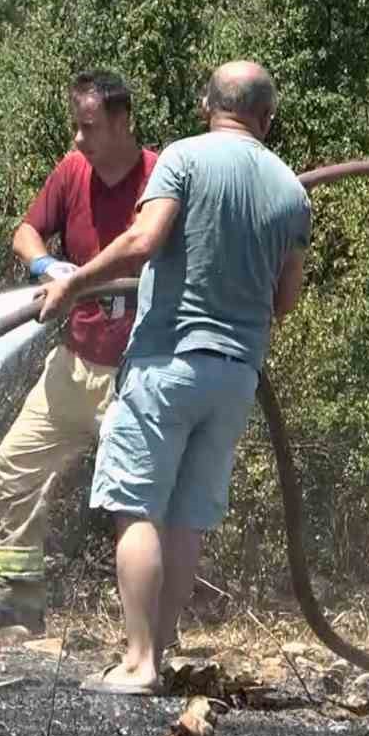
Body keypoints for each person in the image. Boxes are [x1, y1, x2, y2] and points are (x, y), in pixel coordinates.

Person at [38, 60, 312, 695]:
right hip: (236, 375)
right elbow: (286, 300)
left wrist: (72, 281)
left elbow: (145, 239)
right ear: (267, 118)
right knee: (187, 518)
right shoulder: (292, 192)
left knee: (136, 505)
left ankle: (137, 665)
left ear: (205, 105)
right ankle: (156, 653)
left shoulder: (182, 158)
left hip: (167, 360)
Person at [0, 71, 159, 634]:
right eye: (75, 125)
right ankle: (18, 599)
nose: (77, 139)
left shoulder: (160, 177)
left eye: (88, 126)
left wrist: (88, 277)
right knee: (17, 461)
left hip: (138, 372)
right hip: (75, 363)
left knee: (137, 498)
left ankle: (151, 630)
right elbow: (25, 230)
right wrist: (45, 264)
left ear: (122, 122)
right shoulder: (72, 172)